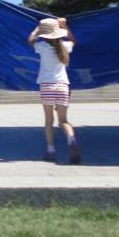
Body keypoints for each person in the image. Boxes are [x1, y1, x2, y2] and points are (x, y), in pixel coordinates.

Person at [28, 18, 81, 164]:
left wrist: (37, 29)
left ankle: (50, 150)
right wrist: (65, 26)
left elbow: (30, 40)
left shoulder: (42, 47)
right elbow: (73, 40)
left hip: (47, 85)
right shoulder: (65, 46)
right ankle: (71, 139)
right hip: (63, 85)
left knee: (49, 119)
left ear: (44, 35)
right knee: (63, 120)